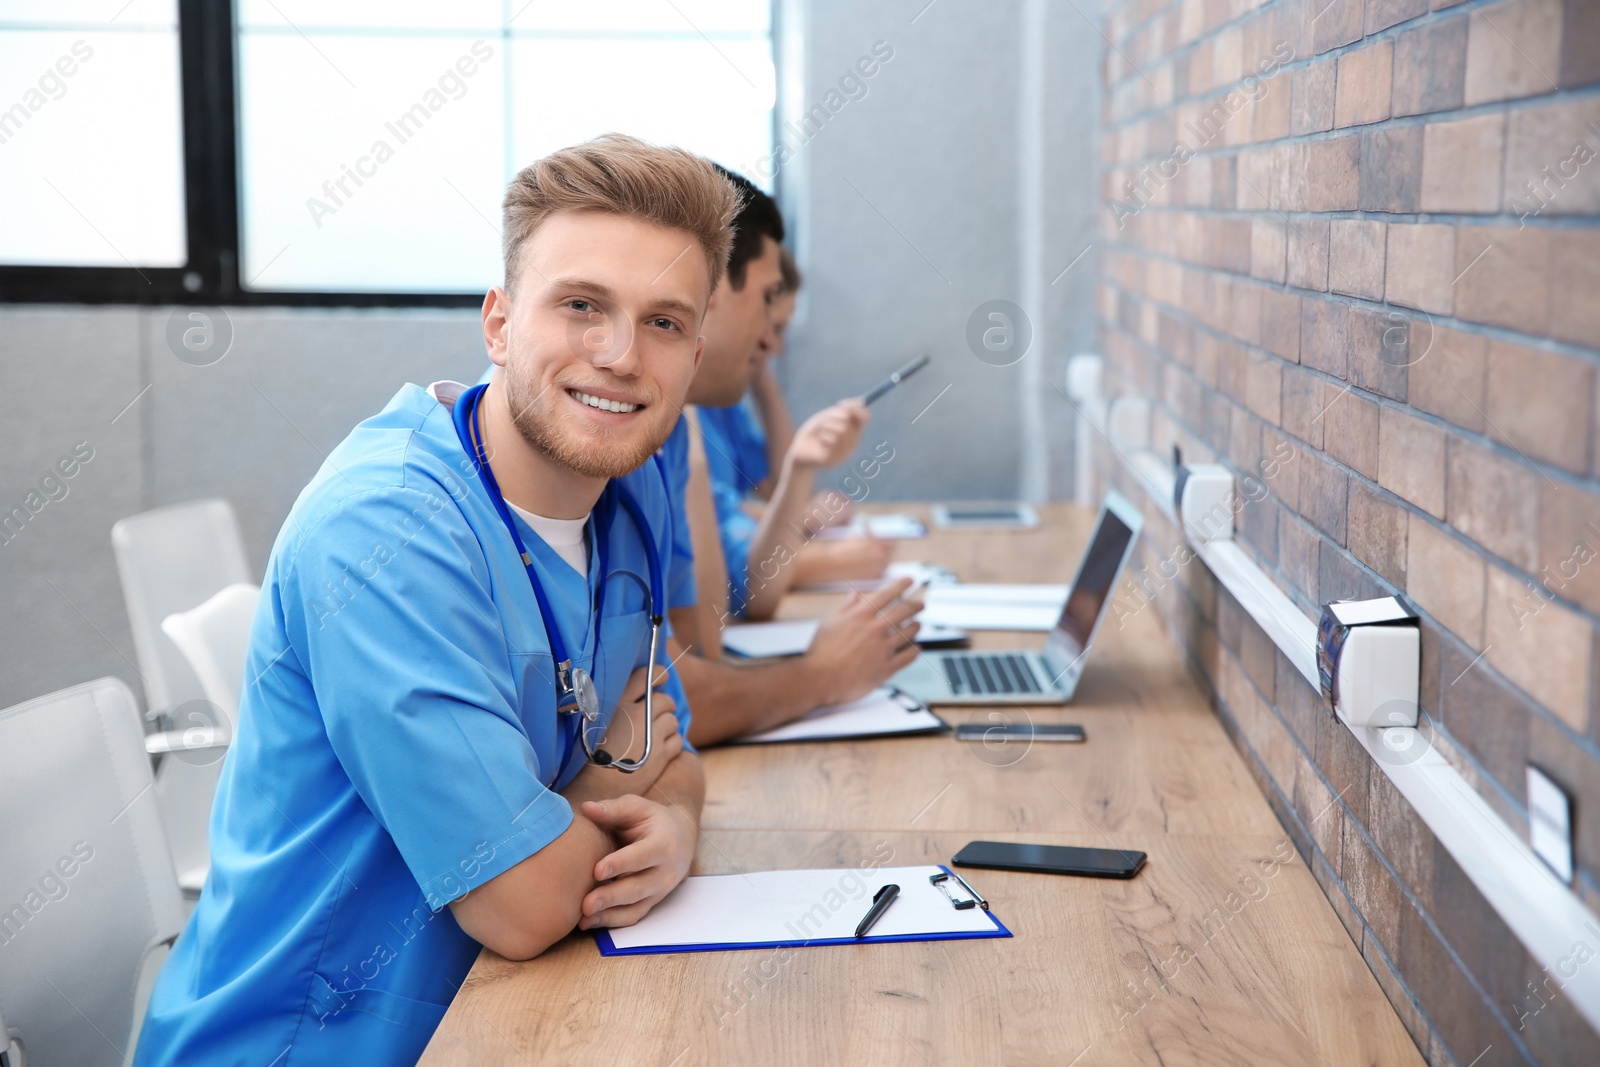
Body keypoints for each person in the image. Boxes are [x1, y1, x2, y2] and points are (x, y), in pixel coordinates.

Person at [134, 135, 733, 1066]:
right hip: (319, 1038)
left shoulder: (634, 483)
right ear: (497, 323)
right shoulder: (385, 536)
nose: (620, 356)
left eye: (663, 323)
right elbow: (525, 904)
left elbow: (675, 755)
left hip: (509, 1010)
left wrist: (680, 823)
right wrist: (608, 794)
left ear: (693, 356)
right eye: (581, 305)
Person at [652, 169, 921, 747]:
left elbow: (703, 647)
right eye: (769, 301)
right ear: (713, 287)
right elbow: (679, 701)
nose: (773, 344)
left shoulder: (678, 431)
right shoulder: (638, 431)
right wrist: (822, 674)